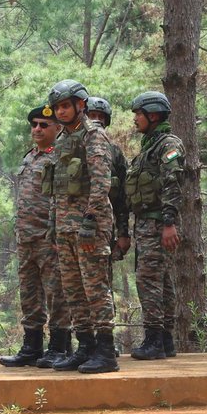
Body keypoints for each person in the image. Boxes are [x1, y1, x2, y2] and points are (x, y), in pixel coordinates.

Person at [45, 80, 119, 373]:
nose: (61, 112)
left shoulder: (93, 136)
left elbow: (101, 183)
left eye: (66, 106)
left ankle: (105, 351)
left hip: (90, 225)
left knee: (95, 288)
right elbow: (57, 188)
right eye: (58, 108)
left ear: (81, 105)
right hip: (65, 228)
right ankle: (85, 347)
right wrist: (54, 226)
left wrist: (89, 221)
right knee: (73, 290)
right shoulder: (63, 139)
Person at [0, 106, 70, 368]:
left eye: (44, 125)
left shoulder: (60, 157)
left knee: (56, 294)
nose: (37, 129)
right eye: (35, 125)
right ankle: (31, 347)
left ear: (57, 128)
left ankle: (58, 348)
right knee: (29, 295)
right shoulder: (30, 157)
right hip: (26, 237)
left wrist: (55, 231)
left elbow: (62, 198)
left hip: (48, 237)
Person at [126, 91, 184, 360]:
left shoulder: (168, 144)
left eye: (139, 113)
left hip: (158, 222)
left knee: (150, 280)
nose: (135, 119)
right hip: (148, 222)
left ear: (153, 115)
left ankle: (154, 340)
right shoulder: (151, 145)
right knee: (159, 280)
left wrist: (169, 222)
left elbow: (173, 183)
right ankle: (164, 340)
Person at [86, 96, 132, 267]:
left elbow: (122, 198)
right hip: (69, 229)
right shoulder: (71, 147)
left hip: (101, 229)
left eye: (100, 116)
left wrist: (123, 232)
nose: (96, 120)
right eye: (91, 115)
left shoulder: (115, 153)